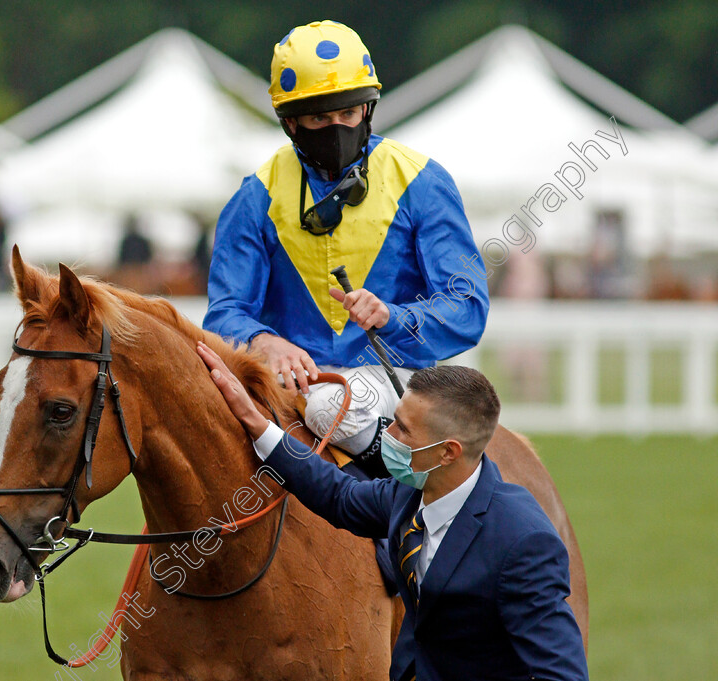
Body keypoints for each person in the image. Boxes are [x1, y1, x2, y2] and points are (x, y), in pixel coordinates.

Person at [197, 341, 589, 681]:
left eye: (401, 429)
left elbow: (562, 673)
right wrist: (254, 421)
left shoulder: (523, 541)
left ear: (447, 452)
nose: (386, 436)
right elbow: (338, 495)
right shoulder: (409, 493)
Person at [203, 20, 488, 471]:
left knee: (328, 406)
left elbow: (468, 306)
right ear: (291, 122)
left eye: (348, 114)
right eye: (319, 118)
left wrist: (395, 316)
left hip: (400, 384)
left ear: (367, 111)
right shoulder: (254, 197)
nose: (336, 128)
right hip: (291, 386)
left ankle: (405, 488)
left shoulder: (424, 182)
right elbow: (223, 313)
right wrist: (263, 340)